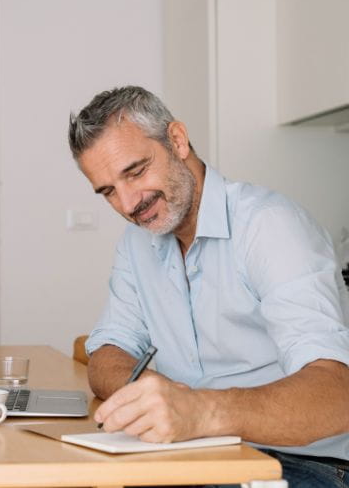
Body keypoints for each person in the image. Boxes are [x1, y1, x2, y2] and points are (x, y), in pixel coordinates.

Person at [68, 86, 349, 488]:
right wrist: (157, 397)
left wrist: (198, 411)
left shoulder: (269, 226)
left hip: (306, 464)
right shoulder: (137, 243)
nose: (129, 203)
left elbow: (337, 394)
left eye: (135, 171)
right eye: (109, 191)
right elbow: (109, 351)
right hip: (199, 450)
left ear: (177, 140)